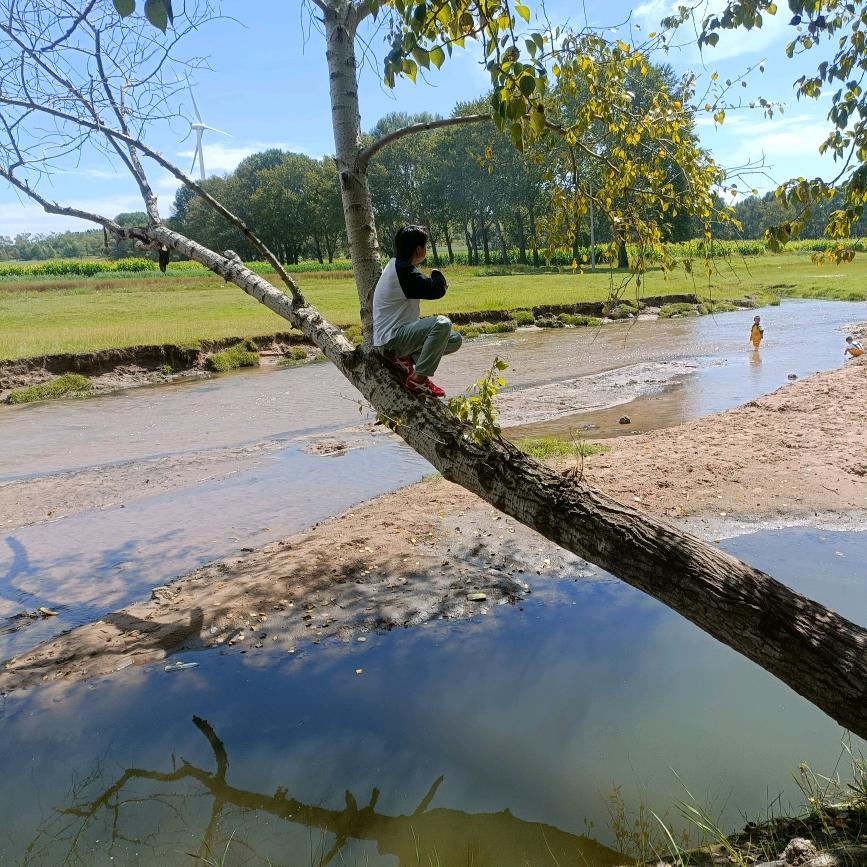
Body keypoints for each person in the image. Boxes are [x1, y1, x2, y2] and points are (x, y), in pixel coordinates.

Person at [373, 225, 462, 398]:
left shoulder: (396, 265)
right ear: (419, 250)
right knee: (442, 323)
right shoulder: (403, 271)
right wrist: (437, 274)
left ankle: (405, 359)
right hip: (391, 340)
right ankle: (419, 379)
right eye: (425, 246)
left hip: (394, 337)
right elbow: (436, 290)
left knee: (454, 339)